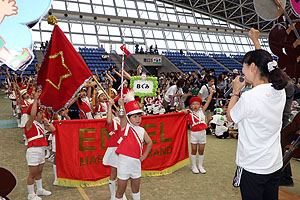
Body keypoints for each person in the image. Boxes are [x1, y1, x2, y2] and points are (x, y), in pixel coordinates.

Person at [227, 49, 288, 200]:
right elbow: (263, 62)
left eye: (243, 66)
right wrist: (256, 43)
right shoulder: (280, 91)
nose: (242, 71)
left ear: (253, 67)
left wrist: (235, 92)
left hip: (252, 166)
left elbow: (230, 117)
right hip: (273, 163)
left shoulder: (249, 97)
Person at [115, 93, 153, 200]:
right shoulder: (125, 127)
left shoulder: (142, 130)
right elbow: (121, 116)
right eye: (134, 116)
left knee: (136, 190)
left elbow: (149, 142)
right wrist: (121, 105)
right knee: (120, 191)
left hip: (136, 163)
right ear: (128, 118)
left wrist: (144, 155)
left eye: (139, 116)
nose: (138, 119)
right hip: (124, 164)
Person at [25, 92, 55, 200]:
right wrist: (36, 99)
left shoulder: (41, 124)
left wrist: (47, 122)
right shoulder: (29, 124)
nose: (42, 115)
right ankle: (31, 194)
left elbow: (53, 129)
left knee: (39, 171)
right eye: (40, 113)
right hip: (33, 150)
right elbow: (32, 115)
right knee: (32, 173)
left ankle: (39, 189)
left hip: (41, 149)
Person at [182, 86, 215, 174]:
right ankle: (193, 166)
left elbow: (208, 101)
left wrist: (211, 93)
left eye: (197, 104)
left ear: (200, 105)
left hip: (202, 133)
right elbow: (179, 114)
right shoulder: (188, 112)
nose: (195, 105)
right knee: (193, 150)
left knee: (201, 150)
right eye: (193, 104)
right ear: (191, 106)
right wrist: (183, 112)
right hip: (194, 134)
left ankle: (200, 165)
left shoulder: (202, 111)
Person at [103, 98, 126, 200]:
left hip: (125, 149)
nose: (120, 112)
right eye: (117, 110)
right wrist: (109, 106)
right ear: (113, 111)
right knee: (114, 172)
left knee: (123, 173)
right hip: (114, 149)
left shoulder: (125, 121)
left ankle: (121, 193)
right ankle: (113, 195)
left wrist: (122, 106)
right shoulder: (113, 121)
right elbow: (108, 121)